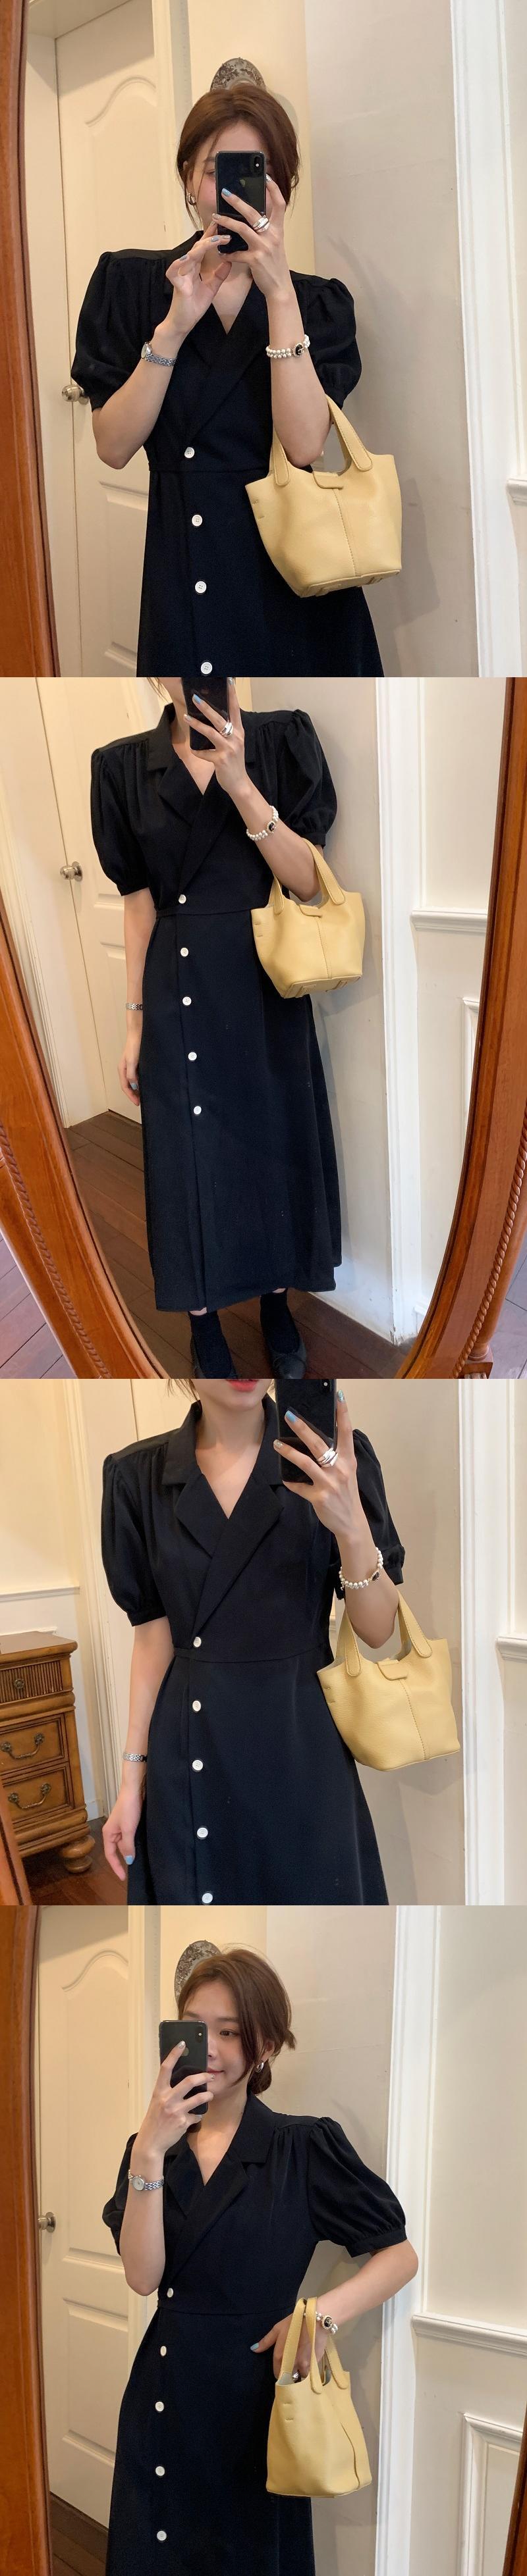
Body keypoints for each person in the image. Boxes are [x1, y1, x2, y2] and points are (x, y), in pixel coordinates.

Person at [103, 1945, 418, 2576]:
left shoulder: (301, 2146)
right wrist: (150, 2153)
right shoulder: (149, 2149)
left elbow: (399, 2255)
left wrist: (320, 2317)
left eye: (230, 2032)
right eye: (197, 2028)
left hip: (256, 2409)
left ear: (265, 2045)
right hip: (163, 2396)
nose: (210, 2050)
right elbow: (143, 2278)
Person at [71, 79, 383, 678]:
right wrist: (174, 327)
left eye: (253, 172)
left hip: (298, 569)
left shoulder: (317, 303)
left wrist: (279, 291)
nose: (231, 191)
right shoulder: (132, 284)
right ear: (189, 177)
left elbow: (303, 446)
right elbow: (113, 447)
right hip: (188, 560)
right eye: (216, 170)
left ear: (281, 187)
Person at [90, 680, 345, 1379]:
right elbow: (139, 907)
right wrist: (134, 1024)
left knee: (271, 1147)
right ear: (154, 677)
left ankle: (275, 1303)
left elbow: (308, 883)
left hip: (263, 982)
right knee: (186, 1156)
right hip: (177, 989)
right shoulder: (121, 767)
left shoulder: (281, 740)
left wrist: (239, 782)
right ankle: (202, 1317)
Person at [100, 1381, 404, 1903]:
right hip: (191, 1748)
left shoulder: (335, 1459)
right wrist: (132, 1781)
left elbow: (379, 1631)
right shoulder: (138, 1476)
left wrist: (352, 1529)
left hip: (302, 1746)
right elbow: (153, 1638)